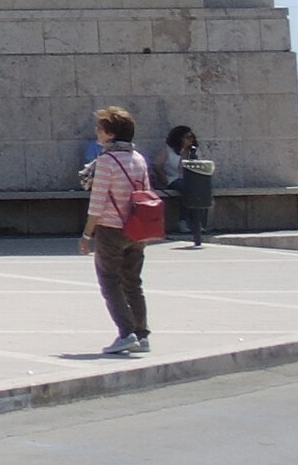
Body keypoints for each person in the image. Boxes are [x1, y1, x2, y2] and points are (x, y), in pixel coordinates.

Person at [80, 105, 154, 357]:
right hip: (138, 228)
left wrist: (87, 234)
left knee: (109, 281)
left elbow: (97, 202)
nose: (97, 133)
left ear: (111, 134)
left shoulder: (106, 161)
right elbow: (145, 194)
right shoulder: (139, 159)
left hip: (111, 229)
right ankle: (142, 335)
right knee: (133, 282)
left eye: (100, 129)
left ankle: (126, 333)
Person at [161, 124, 219, 246]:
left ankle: (200, 223)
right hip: (174, 179)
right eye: (187, 137)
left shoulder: (194, 151)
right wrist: (163, 179)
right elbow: (157, 165)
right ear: (179, 138)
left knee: (202, 190)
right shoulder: (169, 151)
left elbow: (201, 165)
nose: (191, 139)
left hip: (192, 180)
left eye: (192, 137)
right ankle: (184, 221)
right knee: (188, 188)